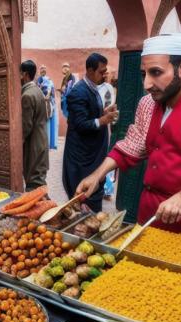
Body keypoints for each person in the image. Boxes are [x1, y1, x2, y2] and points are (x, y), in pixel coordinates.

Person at [76, 34, 181, 237]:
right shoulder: (147, 104)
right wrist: (96, 175)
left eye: (156, 73)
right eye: (144, 74)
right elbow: (131, 146)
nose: (147, 84)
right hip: (150, 215)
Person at [62, 53, 118, 211]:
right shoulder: (78, 92)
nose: (104, 74)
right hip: (82, 157)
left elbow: (90, 114)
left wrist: (105, 111)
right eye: (101, 71)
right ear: (90, 70)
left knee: (95, 191)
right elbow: (80, 123)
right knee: (84, 196)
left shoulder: (93, 88)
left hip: (93, 153)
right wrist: (103, 120)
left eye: (105, 71)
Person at [20, 60, 49, 191]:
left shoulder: (26, 95)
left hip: (34, 145)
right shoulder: (37, 90)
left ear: (25, 74)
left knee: (33, 185)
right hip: (41, 141)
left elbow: (26, 127)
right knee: (39, 181)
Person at [97, 80, 117, 200]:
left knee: (106, 156)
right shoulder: (89, 88)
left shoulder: (107, 88)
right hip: (96, 127)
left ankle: (107, 190)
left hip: (104, 126)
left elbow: (109, 107)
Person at [37, 65, 58, 150]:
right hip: (40, 103)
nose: (43, 70)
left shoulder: (49, 80)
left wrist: (48, 94)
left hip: (49, 104)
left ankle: (49, 144)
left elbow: (51, 90)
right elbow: (37, 89)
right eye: (41, 69)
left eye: (44, 69)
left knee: (49, 123)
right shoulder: (38, 80)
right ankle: (43, 144)